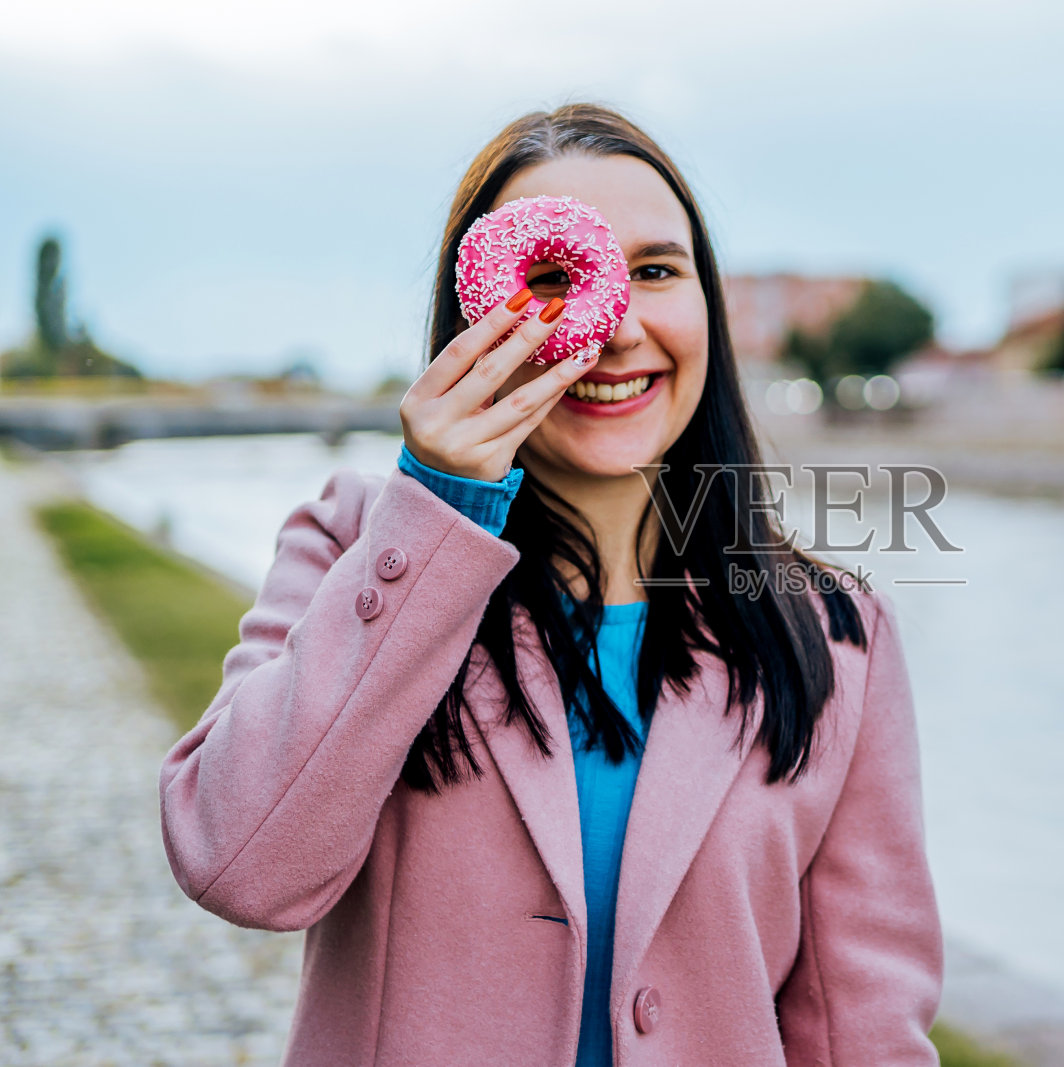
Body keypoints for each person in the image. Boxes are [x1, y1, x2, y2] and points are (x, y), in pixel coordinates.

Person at [157, 103, 942, 1066]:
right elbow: (241, 866)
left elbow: (861, 1019)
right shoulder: (357, 545)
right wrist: (442, 506)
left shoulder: (834, 631)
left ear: (709, 310)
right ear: (471, 316)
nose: (611, 330)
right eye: (557, 280)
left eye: (655, 270)